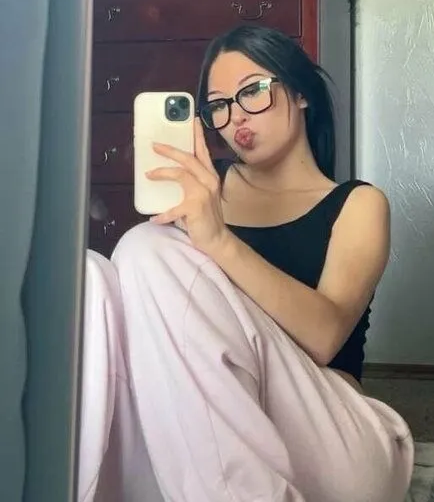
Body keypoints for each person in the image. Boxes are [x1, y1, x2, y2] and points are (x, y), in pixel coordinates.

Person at [78, 26, 414, 502]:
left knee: (144, 247)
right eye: (218, 104)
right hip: (204, 443)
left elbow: (325, 337)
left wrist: (218, 240)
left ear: (300, 93)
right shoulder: (201, 192)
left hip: (331, 441)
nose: (235, 115)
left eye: (252, 91)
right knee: (95, 274)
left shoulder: (357, 204)